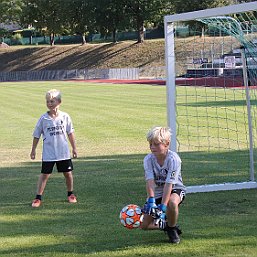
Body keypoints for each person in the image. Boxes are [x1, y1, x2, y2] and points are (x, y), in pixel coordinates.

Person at [30, 89, 78, 208]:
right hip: (49, 153)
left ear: (59, 102)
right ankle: (38, 198)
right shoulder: (43, 119)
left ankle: (70, 194)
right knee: (45, 175)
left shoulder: (65, 116)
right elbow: (36, 135)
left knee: (67, 173)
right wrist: (33, 150)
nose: (49, 103)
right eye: (48, 101)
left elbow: (70, 133)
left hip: (63, 152)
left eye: (52, 101)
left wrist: (74, 148)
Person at [140, 126, 186, 244]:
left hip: (175, 188)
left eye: (156, 144)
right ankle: (166, 224)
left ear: (167, 144)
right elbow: (150, 181)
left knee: (172, 203)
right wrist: (151, 201)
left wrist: (162, 207)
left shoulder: (174, 159)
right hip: (158, 192)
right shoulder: (148, 159)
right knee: (144, 225)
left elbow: (168, 184)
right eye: (150, 144)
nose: (152, 147)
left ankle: (171, 229)